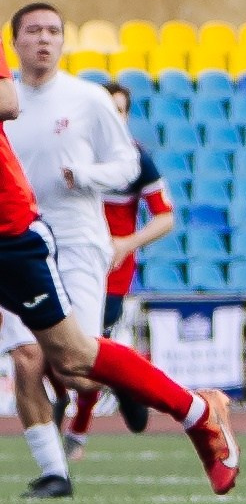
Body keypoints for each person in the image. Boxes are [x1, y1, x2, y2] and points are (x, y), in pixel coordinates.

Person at [0, 25, 238, 499]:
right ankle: (55, 472)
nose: (43, 39)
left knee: (73, 361)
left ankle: (194, 410)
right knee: (28, 360)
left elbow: (7, 102)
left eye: (52, 30)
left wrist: (121, 237)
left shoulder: (85, 101)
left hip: (18, 231)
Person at [62, 79, 176, 455]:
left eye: (121, 111)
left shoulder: (136, 160)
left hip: (111, 270)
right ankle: (126, 375)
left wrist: (127, 243)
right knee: (63, 346)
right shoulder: (71, 155)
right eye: (107, 110)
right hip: (68, 258)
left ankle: (77, 431)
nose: (114, 118)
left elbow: (165, 217)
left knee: (92, 347)